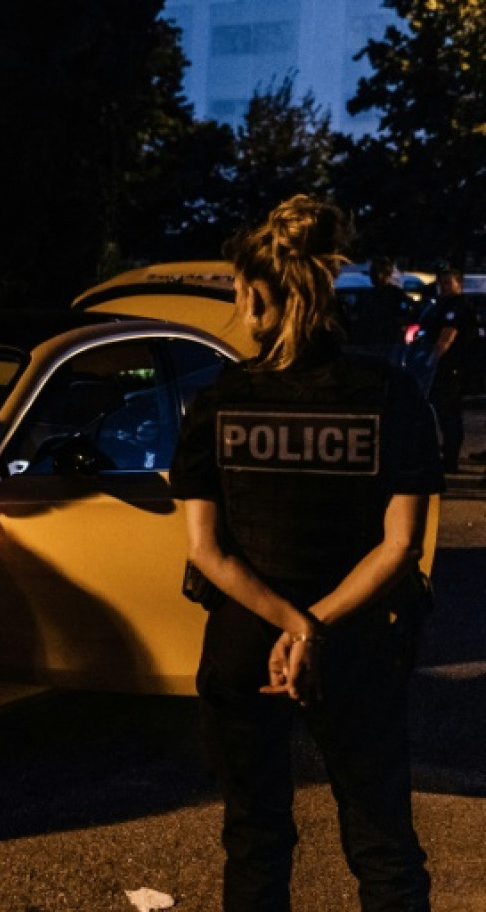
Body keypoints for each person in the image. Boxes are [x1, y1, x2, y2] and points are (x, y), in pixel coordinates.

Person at [171, 196, 439, 911]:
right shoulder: (392, 395)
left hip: (245, 641)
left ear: (258, 295)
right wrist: (318, 627)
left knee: (255, 837)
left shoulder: (219, 401)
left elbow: (207, 551)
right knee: (382, 841)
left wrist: (290, 625)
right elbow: (401, 546)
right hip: (356, 643)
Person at [417, 266, 476, 471]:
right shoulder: (442, 304)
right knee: (444, 412)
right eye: (441, 283)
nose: (444, 287)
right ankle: (447, 454)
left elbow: (447, 337)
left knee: (449, 413)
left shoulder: (457, 307)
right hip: (444, 366)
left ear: (459, 283)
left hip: (450, 366)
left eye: (448, 283)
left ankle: (450, 459)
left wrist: (430, 361)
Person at [346, 256, 414, 355]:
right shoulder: (366, 296)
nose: (373, 276)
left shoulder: (396, 295)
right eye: (372, 272)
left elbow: (405, 319)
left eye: (376, 272)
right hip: (369, 345)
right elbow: (357, 319)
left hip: (388, 345)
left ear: (387, 274)